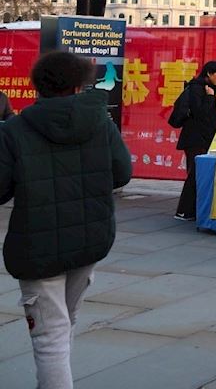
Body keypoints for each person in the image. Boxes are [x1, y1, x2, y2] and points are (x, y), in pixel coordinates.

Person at [0, 50, 132, 388]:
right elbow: (122, 173)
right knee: (64, 324)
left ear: (39, 86)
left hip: (38, 246)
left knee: (49, 337)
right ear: (77, 86)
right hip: (90, 237)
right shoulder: (100, 122)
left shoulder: (14, 129)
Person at [172, 60, 216, 221]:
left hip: (204, 138)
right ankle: (184, 211)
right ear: (209, 73)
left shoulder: (208, 89)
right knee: (194, 174)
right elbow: (200, 113)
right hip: (195, 139)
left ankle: (194, 210)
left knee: (199, 174)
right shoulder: (198, 88)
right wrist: (209, 97)